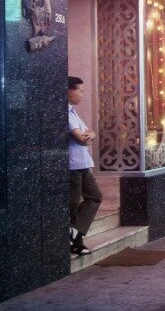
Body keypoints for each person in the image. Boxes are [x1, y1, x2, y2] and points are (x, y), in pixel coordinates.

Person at [68, 76, 102, 256]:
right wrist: (87, 135)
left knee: (95, 197)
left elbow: (90, 132)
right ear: (69, 91)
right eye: (79, 90)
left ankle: (73, 232)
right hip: (72, 164)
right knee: (73, 204)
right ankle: (76, 242)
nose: (82, 94)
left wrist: (90, 134)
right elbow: (82, 138)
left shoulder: (74, 113)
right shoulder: (64, 113)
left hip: (83, 163)